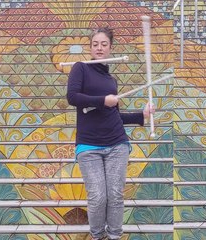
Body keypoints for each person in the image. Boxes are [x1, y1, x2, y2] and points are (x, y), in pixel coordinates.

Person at [66, 27, 154, 240]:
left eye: (104, 44)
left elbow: (114, 115)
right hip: (88, 146)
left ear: (110, 48)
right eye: (95, 43)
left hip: (116, 143)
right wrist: (101, 100)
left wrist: (141, 116)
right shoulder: (81, 68)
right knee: (97, 197)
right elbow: (72, 97)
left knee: (115, 196)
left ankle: (115, 236)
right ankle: (98, 236)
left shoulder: (111, 80)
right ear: (90, 47)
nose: (99, 47)